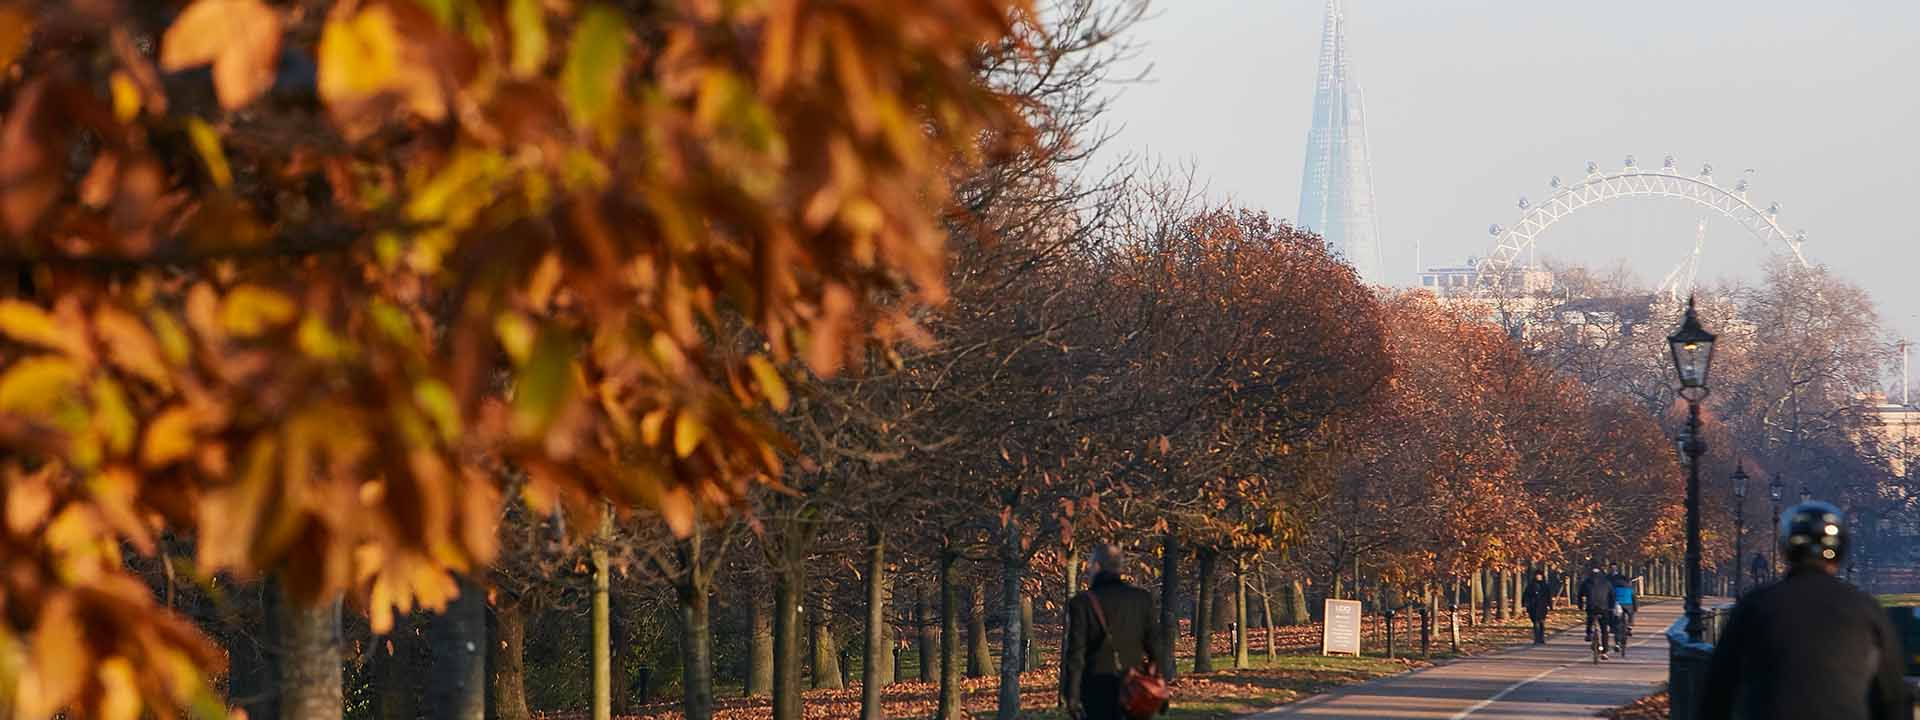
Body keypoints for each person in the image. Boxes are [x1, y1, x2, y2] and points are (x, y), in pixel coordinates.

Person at [1701, 502, 1909, 720]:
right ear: (1841, 548)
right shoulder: (1865, 608)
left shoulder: (1756, 605)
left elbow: (1719, 687)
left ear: (1786, 548)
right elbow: (1892, 693)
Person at [1062, 544, 1166, 720]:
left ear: (1096, 566)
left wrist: (1071, 695)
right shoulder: (1141, 599)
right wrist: (1160, 683)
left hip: (1095, 689)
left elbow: (1076, 654)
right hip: (1135, 688)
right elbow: (1155, 646)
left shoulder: (1082, 603)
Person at [1576, 565, 1616, 657]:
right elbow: (1612, 595)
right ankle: (1605, 651)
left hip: (1591, 607)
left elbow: (1579, 595)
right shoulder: (1606, 582)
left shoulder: (1586, 582)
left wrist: (1580, 605)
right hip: (1604, 607)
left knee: (1590, 619)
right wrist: (1611, 607)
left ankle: (1589, 633)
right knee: (1604, 629)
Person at [1521, 569, 1553, 644]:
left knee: (1541, 622)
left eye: (1540, 575)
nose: (1538, 577)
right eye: (1537, 575)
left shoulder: (1545, 586)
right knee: (1535, 622)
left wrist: (1550, 605)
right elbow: (1526, 596)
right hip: (1533, 606)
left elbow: (1548, 596)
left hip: (1542, 606)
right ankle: (1537, 638)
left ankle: (1541, 638)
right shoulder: (1531, 586)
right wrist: (1525, 605)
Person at [1609, 566, 1636, 640]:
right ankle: (1630, 626)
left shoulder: (1614, 587)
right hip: (1628, 605)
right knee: (1631, 612)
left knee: (1614, 614)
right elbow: (1634, 598)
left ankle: (1612, 627)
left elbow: (1611, 597)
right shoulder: (1629, 587)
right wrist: (1635, 608)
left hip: (1617, 604)